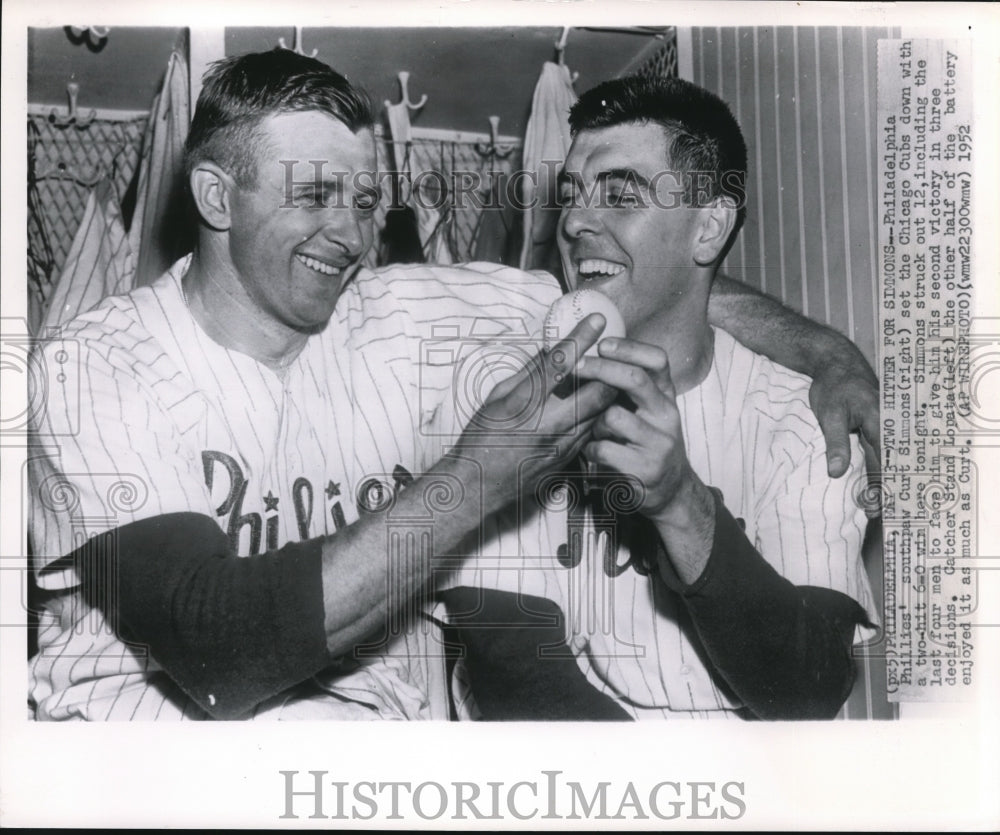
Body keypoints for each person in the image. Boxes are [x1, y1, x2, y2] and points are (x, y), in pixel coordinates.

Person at [28, 50, 877, 721]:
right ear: (216, 196)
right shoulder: (92, 365)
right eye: (317, 195)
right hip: (156, 755)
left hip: (374, 753)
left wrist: (828, 352)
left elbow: (636, 285)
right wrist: (478, 475)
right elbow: (217, 650)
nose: (353, 232)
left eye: (367, 200)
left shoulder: (408, 309)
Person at [442, 75, 879, 721]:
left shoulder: (801, 418)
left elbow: (808, 687)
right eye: (572, 195)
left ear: (709, 229)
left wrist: (680, 502)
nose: (577, 222)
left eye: (620, 195)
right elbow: (512, 665)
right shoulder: (511, 390)